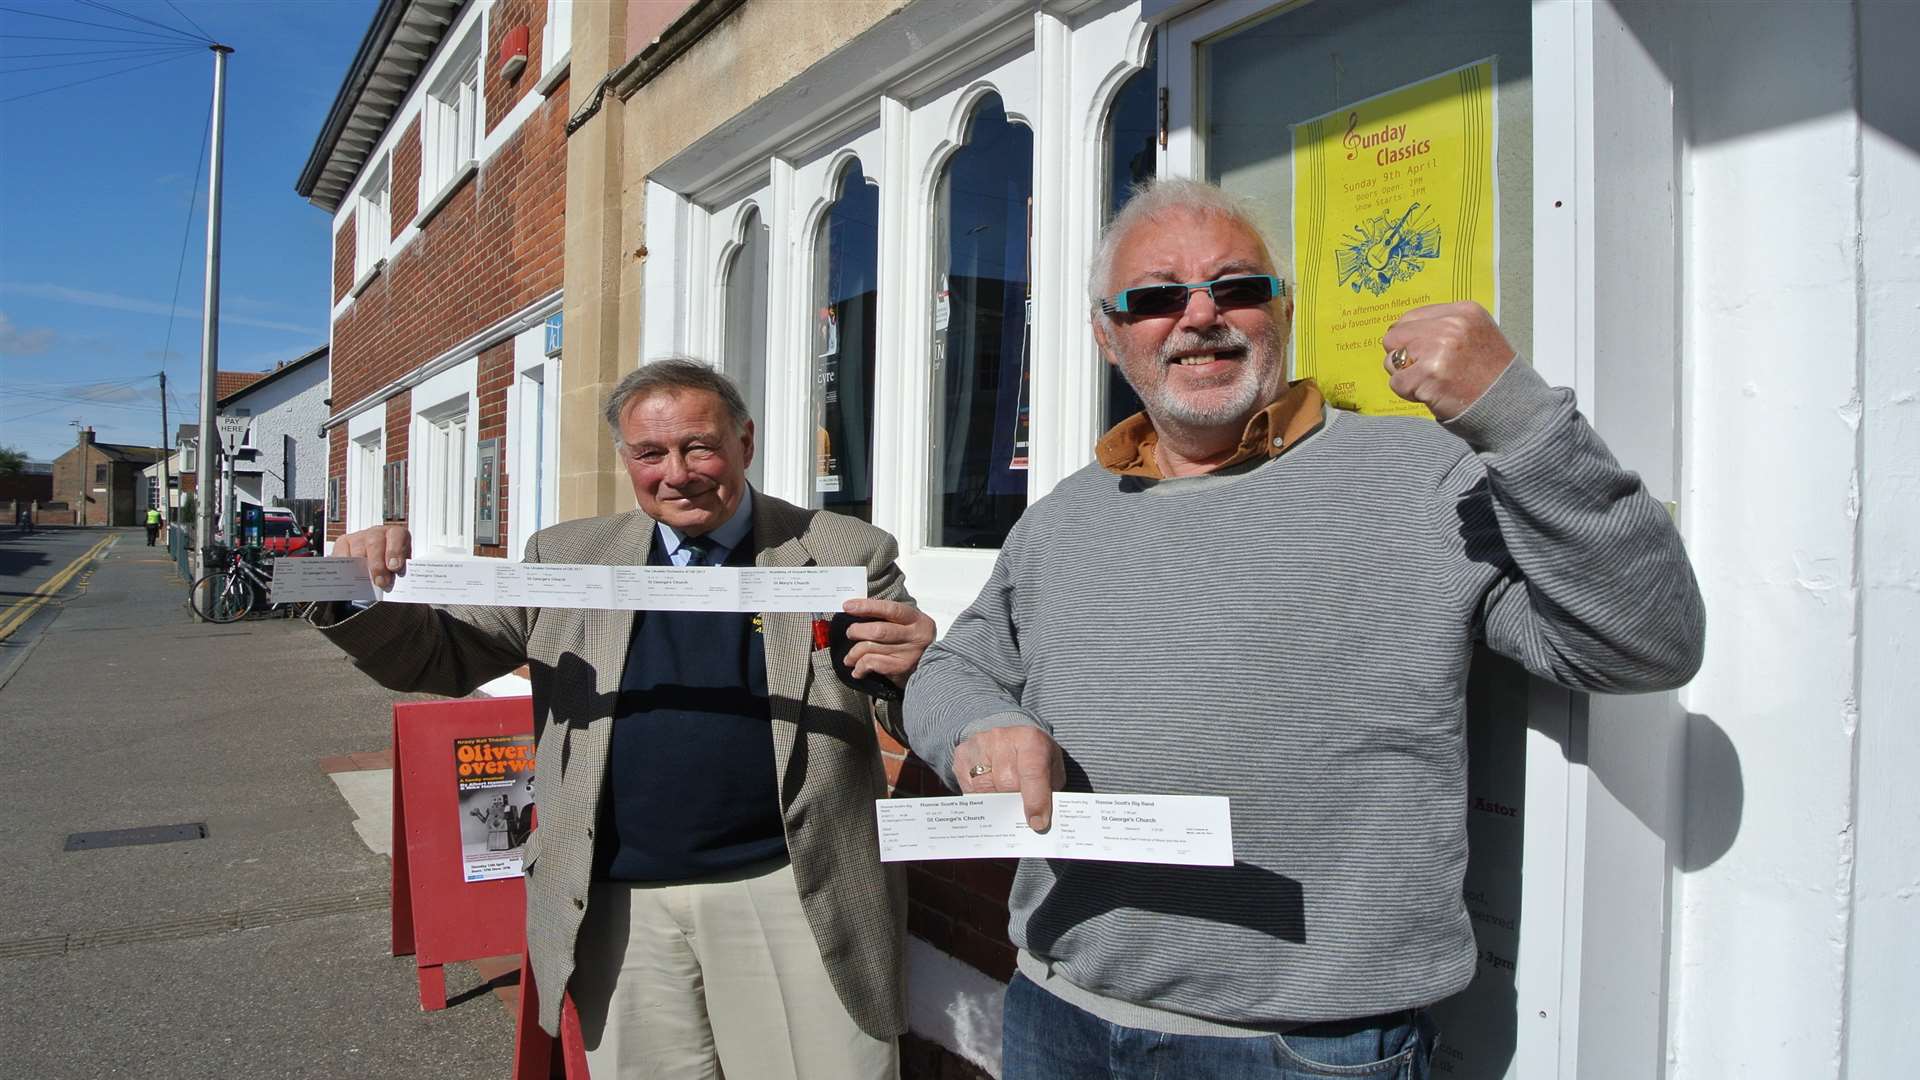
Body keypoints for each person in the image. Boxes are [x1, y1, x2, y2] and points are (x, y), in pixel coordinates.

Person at [904, 179, 1705, 1079]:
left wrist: (1513, 412)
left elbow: (1646, 640)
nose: (1201, 315)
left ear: (1281, 312)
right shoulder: (1064, 514)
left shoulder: (1422, 475)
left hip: (1307, 1051)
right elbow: (949, 667)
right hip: (1062, 1015)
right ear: (1108, 335)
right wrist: (979, 731)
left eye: (1237, 288)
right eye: (1158, 297)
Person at [318, 359, 934, 1079]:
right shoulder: (566, 555)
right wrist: (354, 592)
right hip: (616, 904)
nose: (678, 473)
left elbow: (898, 699)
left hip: (791, 892)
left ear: (747, 442)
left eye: (700, 446)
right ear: (627, 460)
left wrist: (916, 662)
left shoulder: (841, 551)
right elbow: (440, 658)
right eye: (651, 454)